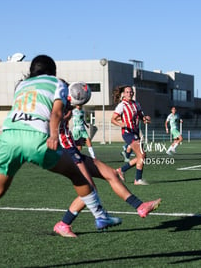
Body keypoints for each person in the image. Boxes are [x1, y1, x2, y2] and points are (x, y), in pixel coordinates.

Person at [0, 55, 120, 257]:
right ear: (53, 70)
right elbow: (55, 113)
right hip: (36, 138)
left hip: (8, 137)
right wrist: (54, 135)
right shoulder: (57, 83)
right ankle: (100, 216)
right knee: (78, 175)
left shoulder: (22, 85)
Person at [53, 95, 161, 237]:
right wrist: (68, 110)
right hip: (66, 152)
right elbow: (56, 119)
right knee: (89, 190)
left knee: (111, 174)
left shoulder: (61, 104)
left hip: (71, 150)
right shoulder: (54, 106)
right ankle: (65, 224)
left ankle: (140, 206)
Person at [111, 86, 151, 186]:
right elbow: (113, 119)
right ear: (123, 94)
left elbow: (142, 117)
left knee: (141, 156)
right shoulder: (122, 105)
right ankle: (137, 180)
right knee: (142, 155)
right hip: (128, 133)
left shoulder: (136, 104)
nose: (129, 94)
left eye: (131, 92)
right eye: (127, 92)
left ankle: (121, 170)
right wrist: (121, 124)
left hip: (136, 132)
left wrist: (146, 119)